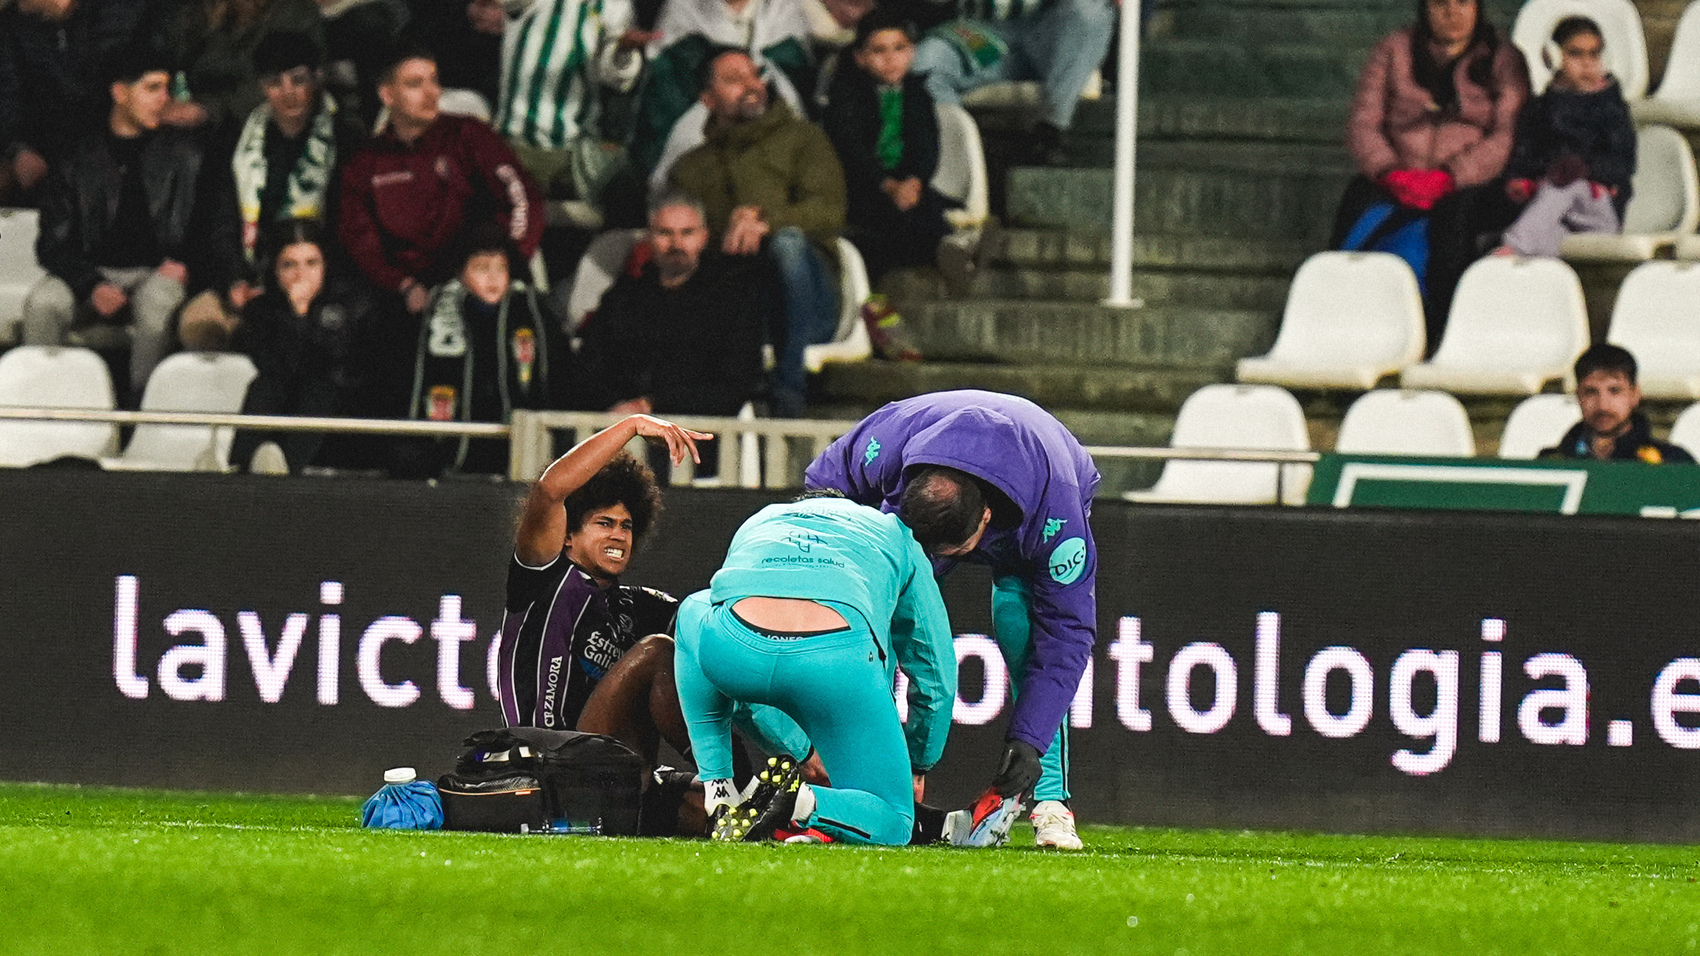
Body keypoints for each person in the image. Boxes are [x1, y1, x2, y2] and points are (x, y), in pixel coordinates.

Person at [804, 389, 1099, 849]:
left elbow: (1066, 633)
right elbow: (820, 490)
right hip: (903, 521)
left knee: (1020, 624)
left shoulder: (1055, 512)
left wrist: (1030, 740)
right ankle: (859, 787)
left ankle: (1050, 802)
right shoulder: (887, 444)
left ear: (985, 520)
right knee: (869, 619)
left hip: (1042, 488)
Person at [674, 489, 958, 845]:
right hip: (835, 662)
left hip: (735, 650)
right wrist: (918, 762)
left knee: (693, 610)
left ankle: (719, 789)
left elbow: (748, 696)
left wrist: (799, 749)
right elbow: (935, 670)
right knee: (895, 819)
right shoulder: (894, 533)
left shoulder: (762, 519)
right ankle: (800, 801)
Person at [25, 43, 249, 400]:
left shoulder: (191, 152)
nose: (164, 100)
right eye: (152, 88)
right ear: (120, 93)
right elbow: (52, 242)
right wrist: (91, 284)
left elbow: (217, 227)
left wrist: (188, 264)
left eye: (166, 89)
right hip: (91, 270)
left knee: (157, 304)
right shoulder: (78, 154)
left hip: (156, 271)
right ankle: (39, 405)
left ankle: (141, 410)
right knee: (42, 303)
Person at [1332, 0, 1529, 350]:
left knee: (1457, 218)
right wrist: (1390, 172)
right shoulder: (1393, 51)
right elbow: (1363, 123)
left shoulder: (1502, 58)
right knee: (1358, 200)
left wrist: (1451, 176)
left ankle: (1439, 327)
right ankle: (1336, 307)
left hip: (1472, 183)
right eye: (1440, 3)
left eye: (1463, 2)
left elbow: (1507, 135)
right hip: (1398, 176)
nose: (1452, 12)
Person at [668, 46, 846, 418]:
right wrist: (728, 225)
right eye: (734, 80)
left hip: (808, 301)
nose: (751, 85)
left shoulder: (804, 139)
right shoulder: (690, 168)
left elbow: (829, 211)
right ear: (707, 99)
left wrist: (764, 221)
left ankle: (788, 392)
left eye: (754, 74)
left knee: (787, 243)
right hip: (739, 303)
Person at [338, 42, 544, 318]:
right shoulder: (365, 162)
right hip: (404, 294)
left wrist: (504, 263)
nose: (432, 93)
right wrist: (403, 285)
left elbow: (522, 199)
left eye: (434, 81)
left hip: (479, 286)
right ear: (387, 95)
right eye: (415, 84)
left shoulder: (469, 135)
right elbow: (360, 240)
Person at [575, 192, 766, 424]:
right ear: (649, 238)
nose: (676, 244)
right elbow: (590, 368)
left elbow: (736, 383)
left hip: (698, 433)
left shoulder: (731, 300)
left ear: (704, 237)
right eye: (665, 233)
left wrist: (652, 405)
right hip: (621, 428)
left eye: (687, 233)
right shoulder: (624, 297)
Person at [403, 223, 570, 475]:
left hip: (518, 457)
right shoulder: (435, 315)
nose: (493, 278)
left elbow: (559, 381)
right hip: (451, 464)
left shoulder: (534, 314)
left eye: (501, 268)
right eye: (481, 268)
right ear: (460, 272)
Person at [230, 217, 377, 474]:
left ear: (325, 265)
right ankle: (245, 466)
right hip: (282, 403)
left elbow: (335, 361)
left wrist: (303, 317)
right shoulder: (261, 310)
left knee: (319, 389)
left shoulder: (353, 303)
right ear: (275, 270)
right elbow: (274, 365)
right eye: (289, 265)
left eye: (311, 263)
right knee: (265, 387)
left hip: (337, 412)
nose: (301, 275)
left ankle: (287, 469)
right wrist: (296, 315)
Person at [490, 0, 648, 230]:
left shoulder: (611, 6)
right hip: (512, 141)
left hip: (570, 150)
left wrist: (623, 51)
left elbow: (618, 78)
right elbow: (510, 6)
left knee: (628, 186)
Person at [908, 0, 1115, 165]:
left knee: (1090, 9)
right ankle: (952, 162)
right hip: (982, 32)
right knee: (927, 61)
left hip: (1050, 31)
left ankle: (1051, 131)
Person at [1496, 17, 1634, 259]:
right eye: (1576, 54)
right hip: (1555, 215)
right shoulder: (1540, 108)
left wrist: (1586, 169)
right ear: (1552, 57)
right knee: (1541, 245)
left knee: (1568, 184)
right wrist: (1521, 180)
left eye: (1594, 54)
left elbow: (1622, 165)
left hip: (1599, 214)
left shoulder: (1613, 110)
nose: (1587, 64)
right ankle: (1513, 265)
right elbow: (1524, 156)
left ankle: (1512, 247)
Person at [0, 0, 155, 206]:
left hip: (110, 147)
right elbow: (8, 95)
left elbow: (106, 84)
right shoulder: (13, 25)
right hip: (42, 154)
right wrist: (18, 150)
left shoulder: (118, 14)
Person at [1540, 345, 1695, 464]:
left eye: (1614, 391)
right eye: (1591, 392)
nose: (1603, 405)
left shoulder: (1672, 462)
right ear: (1578, 396)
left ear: (1635, 394)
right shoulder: (1550, 464)